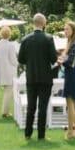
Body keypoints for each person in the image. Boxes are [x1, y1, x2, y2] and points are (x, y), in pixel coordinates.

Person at [17, 13, 57, 141]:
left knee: (31, 106)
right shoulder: (48, 38)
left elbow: (21, 59)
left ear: (33, 23)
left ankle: (28, 133)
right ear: (44, 24)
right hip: (45, 78)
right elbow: (53, 59)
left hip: (31, 77)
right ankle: (41, 135)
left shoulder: (25, 39)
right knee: (42, 107)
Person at [56, 21, 75, 140]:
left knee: (70, 103)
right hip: (72, 75)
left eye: (67, 29)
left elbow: (70, 62)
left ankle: (71, 132)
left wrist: (61, 61)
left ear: (73, 31)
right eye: (64, 29)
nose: (65, 31)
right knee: (73, 103)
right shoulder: (71, 43)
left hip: (72, 75)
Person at [0, 26, 19, 118]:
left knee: (7, 92)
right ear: (9, 34)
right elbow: (13, 60)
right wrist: (18, 63)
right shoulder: (11, 45)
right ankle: (5, 112)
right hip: (9, 72)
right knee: (9, 92)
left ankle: (6, 111)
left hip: (1, 71)